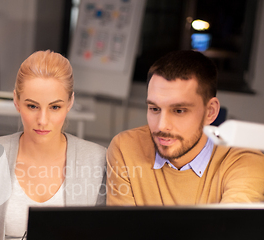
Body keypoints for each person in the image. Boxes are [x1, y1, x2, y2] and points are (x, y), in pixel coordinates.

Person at [0, 50, 107, 240]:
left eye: (55, 107)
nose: (42, 120)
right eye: (32, 106)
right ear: (16, 101)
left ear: (70, 102)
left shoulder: (98, 160)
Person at [106, 50, 264, 205]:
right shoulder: (126, 148)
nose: (161, 126)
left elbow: (228, 227)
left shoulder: (245, 158)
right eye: (155, 109)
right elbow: (123, 229)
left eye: (179, 111)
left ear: (210, 112)